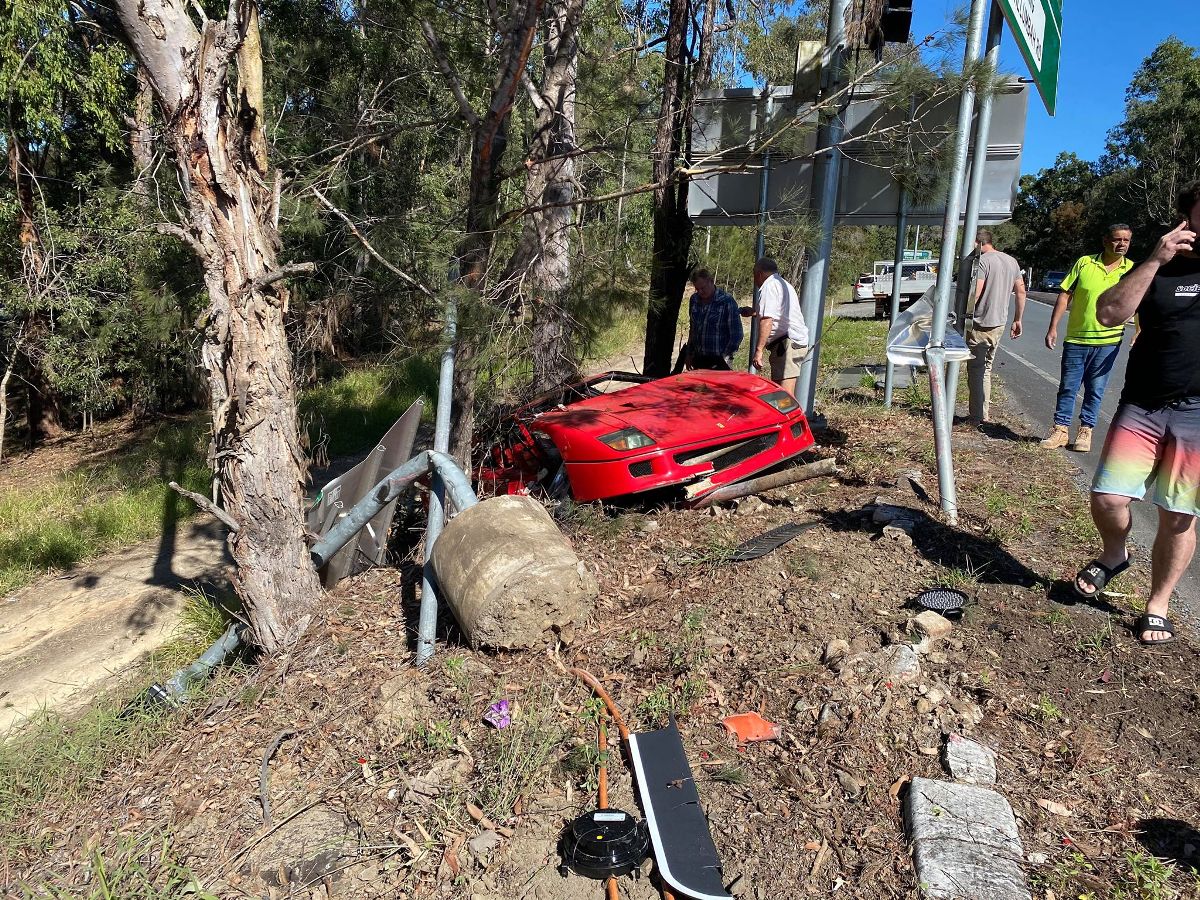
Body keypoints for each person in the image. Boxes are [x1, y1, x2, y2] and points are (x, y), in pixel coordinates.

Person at [1076, 181, 1200, 646]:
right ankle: (1114, 554)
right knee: (1108, 497)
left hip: (1197, 413)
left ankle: (1158, 605)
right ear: (1187, 217)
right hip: (1143, 404)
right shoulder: (1156, 270)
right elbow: (1109, 313)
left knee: (1178, 514)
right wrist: (1153, 259)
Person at [1041, 225, 1135, 452]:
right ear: (1105, 240)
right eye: (1116, 239)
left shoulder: (1132, 269)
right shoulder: (1084, 262)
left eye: (1126, 240)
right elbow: (1065, 294)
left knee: (1096, 388)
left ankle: (1086, 430)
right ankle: (1060, 430)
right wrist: (1053, 327)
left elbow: (1139, 301)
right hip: (1077, 338)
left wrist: (1140, 331)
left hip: (1109, 342)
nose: (1121, 244)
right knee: (1068, 386)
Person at [966, 230, 1026, 425]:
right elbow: (1021, 291)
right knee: (987, 368)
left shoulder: (982, 261)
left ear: (977, 243)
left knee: (976, 369)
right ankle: (983, 413)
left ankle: (977, 416)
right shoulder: (1011, 261)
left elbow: (977, 291)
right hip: (999, 323)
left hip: (981, 323)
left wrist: (962, 315)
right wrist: (1018, 319)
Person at [750, 257, 808, 398]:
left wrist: (759, 350)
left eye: (754, 275)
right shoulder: (783, 284)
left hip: (787, 343)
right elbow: (778, 313)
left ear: (759, 273)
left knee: (785, 396)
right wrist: (754, 312)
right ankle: (783, 419)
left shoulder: (768, 287)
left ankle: (792, 420)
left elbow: (767, 320)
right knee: (778, 392)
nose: (755, 281)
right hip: (787, 343)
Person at [683, 268, 743, 370]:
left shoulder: (726, 301)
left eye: (703, 288)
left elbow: (736, 334)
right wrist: (689, 354)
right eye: (697, 289)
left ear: (711, 281)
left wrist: (725, 356)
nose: (700, 292)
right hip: (699, 359)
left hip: (720, 360)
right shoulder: (694, 300)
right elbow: (693, 330)